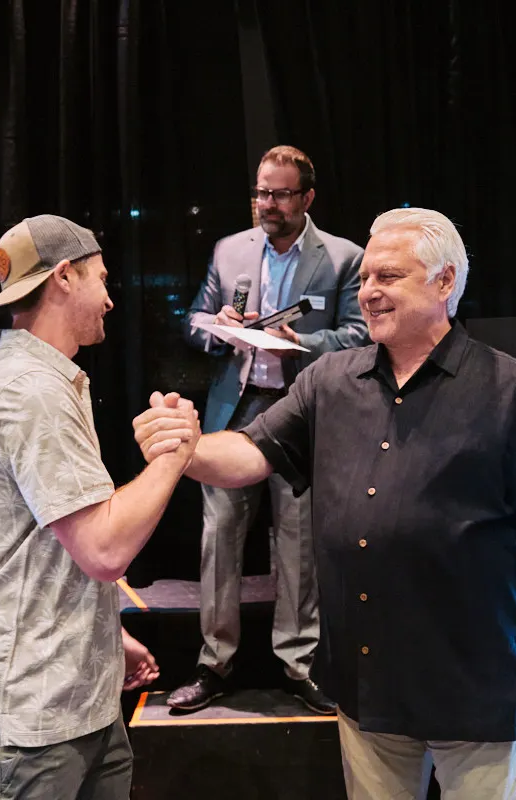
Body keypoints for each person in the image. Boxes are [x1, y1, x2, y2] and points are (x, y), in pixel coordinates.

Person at [135, 207, 516, 799]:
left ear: (445, 282)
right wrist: (185, 448)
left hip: (481, 695)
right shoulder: (328, 382)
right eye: (365, 277)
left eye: (388, 277)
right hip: (367, 692)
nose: (368, 291)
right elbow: (248, 454)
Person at [0, 215, 197, 800]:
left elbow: (44, 545)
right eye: (102, 279)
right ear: (65, 276)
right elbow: (103, 549)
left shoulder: (43, 380)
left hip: (72, 709)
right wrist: (174, 454)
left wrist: (104, 637)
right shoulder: (32, 390)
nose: (109, 299)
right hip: (28, 723)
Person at [174, 145, 368, 714]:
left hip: (299, 412)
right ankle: (214, 664)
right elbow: (194, 320)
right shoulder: (230, 250)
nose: (268, 204)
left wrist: (299, 343)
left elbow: (359, 336)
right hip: (235, 413)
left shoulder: (342, 258)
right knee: (218, 538)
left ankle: (299, 664)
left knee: (298, 542)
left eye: (281, 194)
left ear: (307, 198)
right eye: (262, 192)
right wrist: (218, 327)